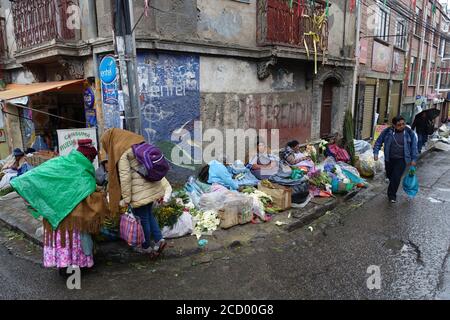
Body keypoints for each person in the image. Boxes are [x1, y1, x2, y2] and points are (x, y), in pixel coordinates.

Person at [101, 128, 172, 258]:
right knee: (149, 215)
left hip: (138, 192)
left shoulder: (122, 152)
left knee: (142, 219)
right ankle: (159, 240)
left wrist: (126, 199)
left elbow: (125, 178)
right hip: (151, 187)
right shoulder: (137, 142)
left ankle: (146, 247)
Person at [373, 116, 418, 203]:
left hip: (402, 159)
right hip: (389, 159)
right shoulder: (387, 132)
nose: (402, 126)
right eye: (399, 125)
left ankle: (392, 195)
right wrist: (376, 153)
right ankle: (392, 188)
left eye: (403, 124)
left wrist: (414, 159)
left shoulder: (409, 133)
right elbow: (378, 141)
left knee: (396, 177)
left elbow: (414, 147)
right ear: (393, 125)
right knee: (390, 176)